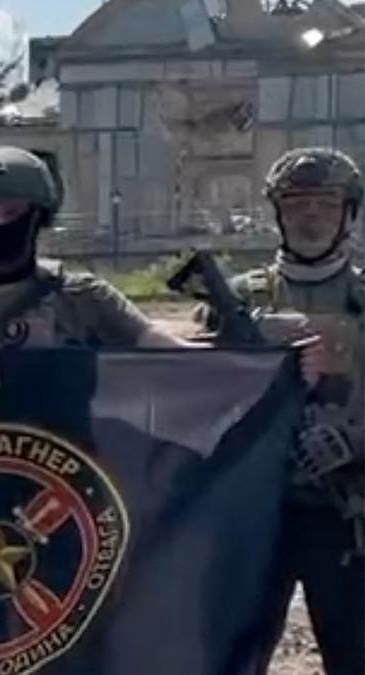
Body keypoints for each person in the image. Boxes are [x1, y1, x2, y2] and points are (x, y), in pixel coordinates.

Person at [199, 147, 363, 675]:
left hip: (344, 512)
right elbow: (194, 395)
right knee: (232, 656)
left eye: (325, 202)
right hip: (254, 509)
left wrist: (354, 441)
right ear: (277, 214)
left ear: (349, 213)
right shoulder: (240, 299)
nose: (311, 215)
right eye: (296, 204)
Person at [0, 146, 192, 350]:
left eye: (13, 213)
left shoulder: (84, 298)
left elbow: (163, 349)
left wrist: (230, 364)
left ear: (39, 218)